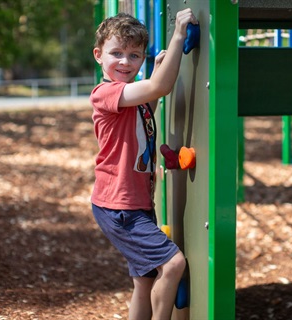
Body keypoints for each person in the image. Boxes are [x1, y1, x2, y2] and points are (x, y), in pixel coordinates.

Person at [89, 8, 198, 320]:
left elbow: (148, 103)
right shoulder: (105, 93)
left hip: (133, 202)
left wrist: (157, 70)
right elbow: (157, 90)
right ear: (99, 55)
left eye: (134, 55)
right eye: (117, 53)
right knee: (173, 263)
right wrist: (178, 35)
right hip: (119, 205)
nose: (125, 62)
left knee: (144, 279)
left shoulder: (128, 96)